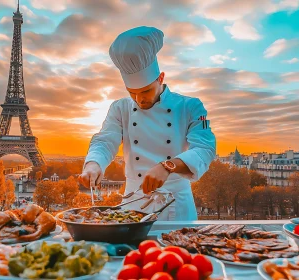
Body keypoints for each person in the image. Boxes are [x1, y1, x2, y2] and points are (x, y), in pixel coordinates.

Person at [78, 26, 216, 221]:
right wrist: (93, 165)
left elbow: (205, 149)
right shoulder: (119, 108)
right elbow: (104, 141)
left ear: (161, 78)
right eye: (131, 92)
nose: (139, 100)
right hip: (132, 203)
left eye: (145, 92)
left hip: (176, 204)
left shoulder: (191, 106)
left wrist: (168, 166)